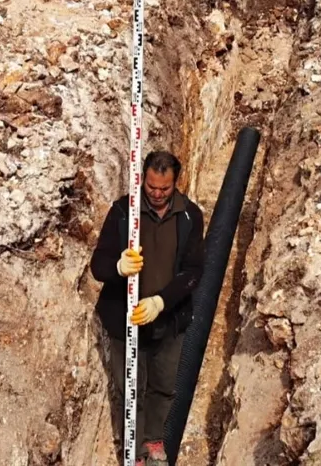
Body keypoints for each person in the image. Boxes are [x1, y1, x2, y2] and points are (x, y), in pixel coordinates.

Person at [90, 150, 205, 466]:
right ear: (144, 179)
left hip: (169, 321)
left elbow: (194, 270)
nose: (156, 194)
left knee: (164, 385)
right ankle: (135, 451)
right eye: (151, 187)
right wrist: (118, 266)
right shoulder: (123, 212)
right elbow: (97, 266)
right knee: (132, 391)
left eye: (164, 189)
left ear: (175, 183)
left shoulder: (189, 216)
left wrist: (161, 302)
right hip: (125, 321)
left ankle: (154, 440)